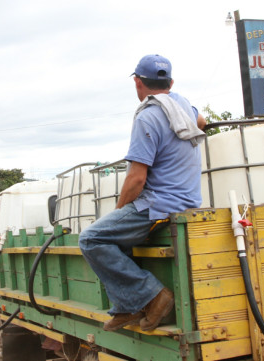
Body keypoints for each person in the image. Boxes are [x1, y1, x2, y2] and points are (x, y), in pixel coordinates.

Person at [79, 54, 204, 332]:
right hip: (189, 199)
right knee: (116, 241)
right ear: (170, 83)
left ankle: (154, 296)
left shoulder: (147, 117)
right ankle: (127, 308)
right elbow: (203, 121)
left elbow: (136, 179)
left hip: (160, 203)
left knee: (92, 239)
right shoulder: (182, 104)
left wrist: (120, 210)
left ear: (137, 83)